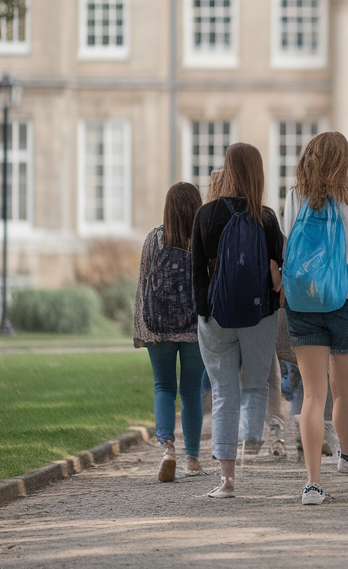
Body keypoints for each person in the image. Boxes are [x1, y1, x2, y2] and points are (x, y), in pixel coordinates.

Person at [281, 131, 348, 505]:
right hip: (347, 298)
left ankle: (312, 484)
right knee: (344, 391)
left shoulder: (294, 198)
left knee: (312, 394)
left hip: (304, 301)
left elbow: (291, 244)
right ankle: (347, 456)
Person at [191, 143, 283, 499]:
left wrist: (204, 308)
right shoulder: (267, 217)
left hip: (217, 315)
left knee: (224, 392)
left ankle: (227, 480)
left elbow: (196, 270)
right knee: (256, 385)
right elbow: (280, 267)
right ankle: (251, 443)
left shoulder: (207, 214)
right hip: (259, 315)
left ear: (227, 169)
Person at [135, 181, 206, 482]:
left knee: (164, 386)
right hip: (194, 327)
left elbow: (143, 286)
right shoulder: (202, 238)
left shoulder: (155, 238)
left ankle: (168, 449)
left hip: (159, 327)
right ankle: (192, 459)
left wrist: (142, 329)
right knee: (192, 392)